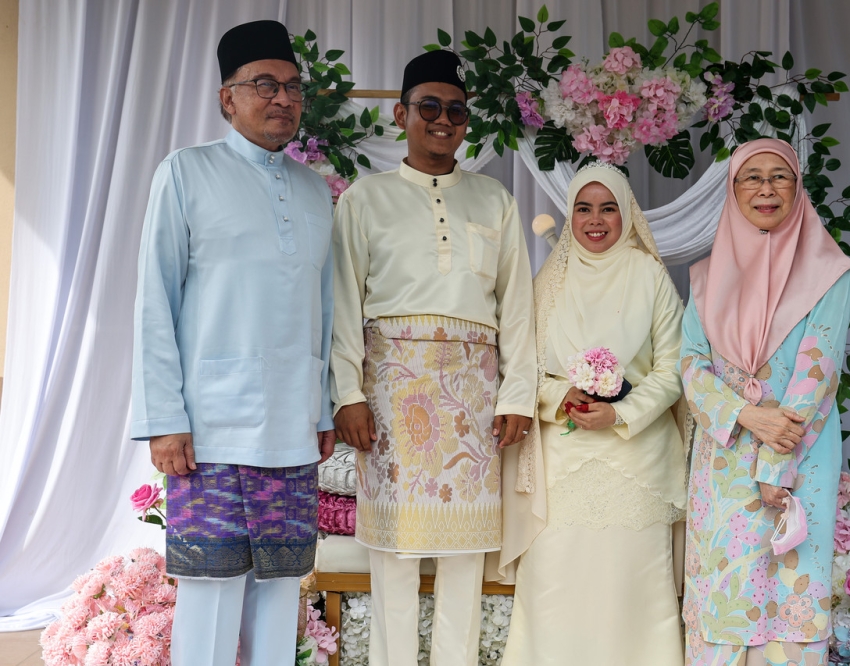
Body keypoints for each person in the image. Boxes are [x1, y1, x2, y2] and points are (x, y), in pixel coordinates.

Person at [130, 20, 336, 666]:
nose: (283, 99)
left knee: (281, 584)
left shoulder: (314, 190)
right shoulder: (186, 173)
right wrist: (164, 417)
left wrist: (322, 409)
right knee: (211, 586)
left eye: (293, 87)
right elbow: (155, 300)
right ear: (228, 98)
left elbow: (324, 311)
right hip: (211, 427)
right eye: (265, 85)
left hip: (292, 425)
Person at [330, 49, 537, 666]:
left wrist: (517, 395)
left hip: (473, 401)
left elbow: (517, 306)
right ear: (401, 115)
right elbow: (342, 302)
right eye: (429, 107)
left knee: (465, 555)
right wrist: (348, 394)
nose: (443, 120)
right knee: (394, 554)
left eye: (456, 110)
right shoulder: (364, 200)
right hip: (392, 397)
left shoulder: (495, 200)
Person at [502, 162, 687, 665]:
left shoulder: (649, 275)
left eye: (608, 208)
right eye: (583, 208)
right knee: (557, 590)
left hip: (637, 461)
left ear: (627, 214)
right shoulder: (549, 281)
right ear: (570, 215)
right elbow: (520, 365)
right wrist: (560, 396)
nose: (595, 220)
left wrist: (621, 413)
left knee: (631, 595)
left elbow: (674, 368)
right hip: (562, 465)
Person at [681, 138, 850, 666]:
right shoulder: (706, 278)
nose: (765, 188)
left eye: (779, 176)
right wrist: (744, 414)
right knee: (724, 596)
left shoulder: (829, 273)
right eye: (751, 177)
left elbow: (816, 373)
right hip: (724, 458)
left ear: (797, 188)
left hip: (798, 455)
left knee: (789, 597)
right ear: (733, 190)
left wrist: (776, 466)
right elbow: (691, 363)